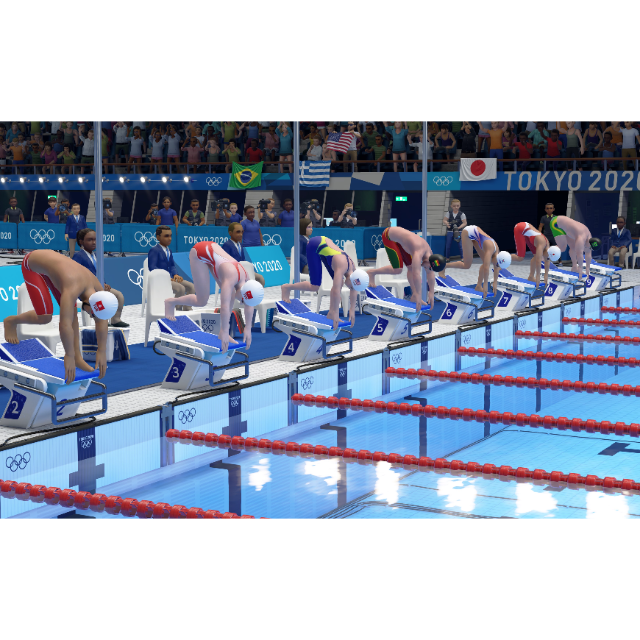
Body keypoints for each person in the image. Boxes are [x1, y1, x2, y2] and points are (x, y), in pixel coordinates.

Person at [3, 250, 117, 383]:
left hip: (56, 268)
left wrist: (102, 350)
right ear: (88, 303)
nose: (92, 318)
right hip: (32, 265)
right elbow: (65, 325)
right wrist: (68, 355)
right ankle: (11, 321)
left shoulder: (98, 289)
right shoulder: (72, 288)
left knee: (72, 313)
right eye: (92, 315)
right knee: (45, 317)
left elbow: (101, 319)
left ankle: (78, 358)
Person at [164, 239, 260, 353]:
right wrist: (225, 330)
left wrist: (248, 328)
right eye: (243, 300)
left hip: (213, 252)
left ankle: (223, 333)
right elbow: (224, 306)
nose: (241, 303)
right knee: (201, 301)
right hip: (199, 252)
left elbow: (249, 303)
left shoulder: (247, 280)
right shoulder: (231, 277)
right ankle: (171, 302)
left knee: (231, 295)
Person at [280, 235, 360, 330]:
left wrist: (352, 309)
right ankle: (287, 287)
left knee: (340, 283)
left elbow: (354, 288)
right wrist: (336, 312)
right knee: (315, 286)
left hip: (325, 244)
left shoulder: (353, 270)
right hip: (314, 245)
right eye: (351, 287)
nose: (351, 288)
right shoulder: (342, 266)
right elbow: (336, 290)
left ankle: (331, 313)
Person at [366, 226, 441, 312]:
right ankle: (372, 272)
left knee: (410, 267)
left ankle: (414, 295)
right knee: (398, 269)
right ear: (428, 262)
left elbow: (430, 273)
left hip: (401, 240)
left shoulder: (430, 254)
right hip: (389, 235)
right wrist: (419, 294)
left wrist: (431, 291)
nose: (427, 270)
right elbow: (416, 274)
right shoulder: (418, 252)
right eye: (428, 268)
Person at [73, 229, 129, 327]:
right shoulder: (78, 256)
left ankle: (115, 319)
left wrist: (104, 283)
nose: (94, 242)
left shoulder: (96, 255)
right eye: (90, 240)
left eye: (95, 239)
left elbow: (99, 273)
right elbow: (76, 276)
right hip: (85, 290)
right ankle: (102, 321)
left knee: (119, 296)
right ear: (81, 241)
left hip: (99, 287)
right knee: (102, 300)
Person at [444, 225, 501, 298]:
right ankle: (444, 266)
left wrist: (495, 282)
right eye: (497, 264)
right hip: (468, 232)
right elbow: (486, 268)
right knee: (466, 265)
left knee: (485, 263)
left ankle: (478, 286)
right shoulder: (490, 249)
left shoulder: (497, 254)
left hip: (476, 233)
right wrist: (485, 285)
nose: (495, 265)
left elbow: (496, 267)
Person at [149, 226, 195, 311]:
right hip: (160, 280)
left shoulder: (169, 251)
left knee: (192, 287)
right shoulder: (154, 250)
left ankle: (187, 307)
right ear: (158, 237)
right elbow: (152, 268)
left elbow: (172, 265)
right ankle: (177, 309)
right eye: (166, 236)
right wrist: (166, 277)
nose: (170, 238)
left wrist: (175, 274)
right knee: (181, 288)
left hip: (171, 279)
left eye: (170, 236)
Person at [548, 215, 599, 280]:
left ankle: (574, 267)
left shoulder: (590, 238)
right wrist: (580, 272)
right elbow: (579, 255)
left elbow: (588, 254)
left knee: (573, 247)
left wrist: (587, 271)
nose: (588, 249)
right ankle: (544, 253)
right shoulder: (581, 238)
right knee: (562, 248)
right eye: (589, 247)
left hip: (567, 227)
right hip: (556, 223)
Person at [511, 222, 552, 288]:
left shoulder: (548, 248)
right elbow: (538, 261)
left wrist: (546, 275)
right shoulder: (541, 244)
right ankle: (503, 258)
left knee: (536, 256)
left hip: (530, 234)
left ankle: (531, 277)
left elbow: (547, 260)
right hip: (520, 228)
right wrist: (538, 277)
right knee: (520, 258)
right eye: (547, 256)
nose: (546, 257)